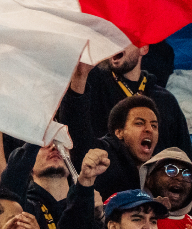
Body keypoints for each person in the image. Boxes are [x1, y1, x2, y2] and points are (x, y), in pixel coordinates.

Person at [62, 63, 162, 199]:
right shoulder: (104, 155)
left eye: (154, 126)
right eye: (139, 123)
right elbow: (77, 128)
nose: (149, 129)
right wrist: (80, 77)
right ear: (119, 132)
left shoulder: (158, 170)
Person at [60, 148, 167, 229]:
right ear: (113, 227)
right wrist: (85, 183)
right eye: (137, 219)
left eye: (153, 221)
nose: (148, 227)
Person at [83, 45, 191, 157]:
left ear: (143, 48)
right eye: (112, 39)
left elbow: (184, 156)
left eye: (123, 40)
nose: (115, 44)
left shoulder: (166, 100)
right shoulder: (93, 89)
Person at [140, 148, 192, 229]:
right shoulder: (128, 210)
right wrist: (150, 211)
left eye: (187, 174)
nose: (180, 178)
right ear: (149, 179)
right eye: (171, 170)